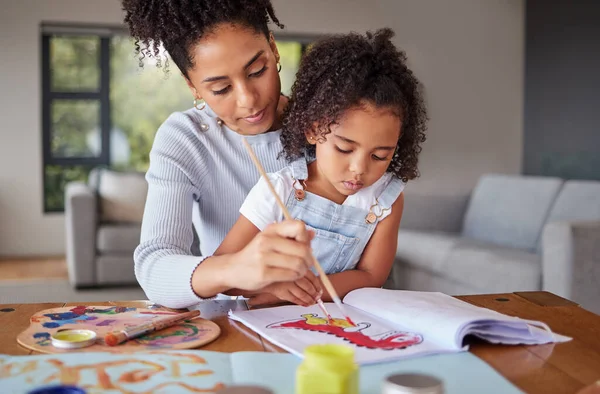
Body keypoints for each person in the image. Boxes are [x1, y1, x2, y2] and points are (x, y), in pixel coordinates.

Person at [122, 0, 321, 309]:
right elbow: (153, 267)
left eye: (257, 71)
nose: (248, 101)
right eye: (220, 89)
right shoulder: (186, 139)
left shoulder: (325, 126)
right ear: (193, 87)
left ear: (273, 47)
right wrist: (238, 268)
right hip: (239, 325)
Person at [215, 28, 428, 306]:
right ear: (314, 131)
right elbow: (222, 271)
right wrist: (274, 288)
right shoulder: (280, 188)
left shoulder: (385, 199)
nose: (359, 169)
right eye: (344, 149)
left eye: (380, 156)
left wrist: (308, 290)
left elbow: (372, 275)